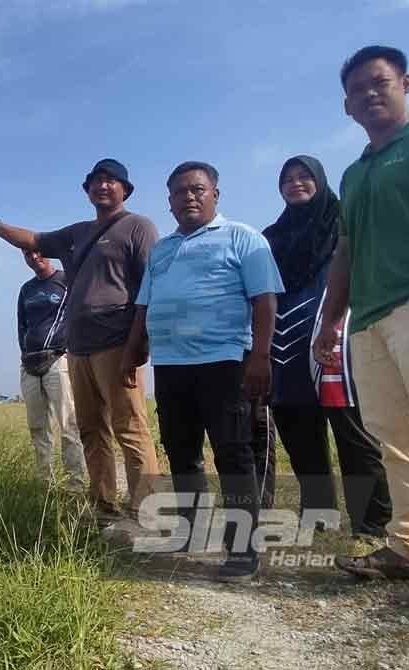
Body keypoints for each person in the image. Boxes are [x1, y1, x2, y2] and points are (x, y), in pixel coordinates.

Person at [314, 45, 409, 603]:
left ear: (406, 82)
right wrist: (330, 322)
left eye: (379, 83)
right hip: (369, 319)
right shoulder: (355, 174)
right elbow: (345, 252)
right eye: (357, 91)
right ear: (347, 107)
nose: (369, 94)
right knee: (393, 437)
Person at [0, 158, 161, 523]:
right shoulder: (77, 233)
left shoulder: (139, 227)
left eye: (111, 181)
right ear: (87, 190)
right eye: (96, 182)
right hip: (79, 348)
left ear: (125, 189)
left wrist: (139, 345)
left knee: (130, 428)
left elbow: (151, 288)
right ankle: (104, 506)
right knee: (90, 429)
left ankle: (144, 510)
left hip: (118, 343)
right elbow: (34, 240)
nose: (103, 186)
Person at [126, 161, 284, 582]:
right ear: (170, 202)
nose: (189, 197)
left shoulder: (243, 238)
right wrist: (132, 351)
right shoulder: (162, 250)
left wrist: (261, 357)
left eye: (197, 189)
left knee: (233, 453)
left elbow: (264, 301)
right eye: (179, 192)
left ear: (215, 193)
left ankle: (242, 549)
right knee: (181, 452)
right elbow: (144, 305)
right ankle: (192, 530)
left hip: (225, 361)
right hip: (171, 365)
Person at [263, 155, 392, 538]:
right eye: (288, 178)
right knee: (298, 432)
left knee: (351, 431)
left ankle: (372, 523)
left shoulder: (341, 222)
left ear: (320, 180)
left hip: (335, 334)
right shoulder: (272, 236)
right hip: (285, 338)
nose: (296, 183)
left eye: (304, 176)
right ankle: (318, 512)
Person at [16, 248, 86, 490]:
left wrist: (72, 347)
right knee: (38, 428)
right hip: (30, 363)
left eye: (37, 252)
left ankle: (75, 485)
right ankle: (44, 485)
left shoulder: (68, 280)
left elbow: (82, 313)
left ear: (47, 253)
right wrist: (25, 353)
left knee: (69, 425)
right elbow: (21, 325)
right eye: (27, 255)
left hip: (58, 360)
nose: (34, 258)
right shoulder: (26, 289)